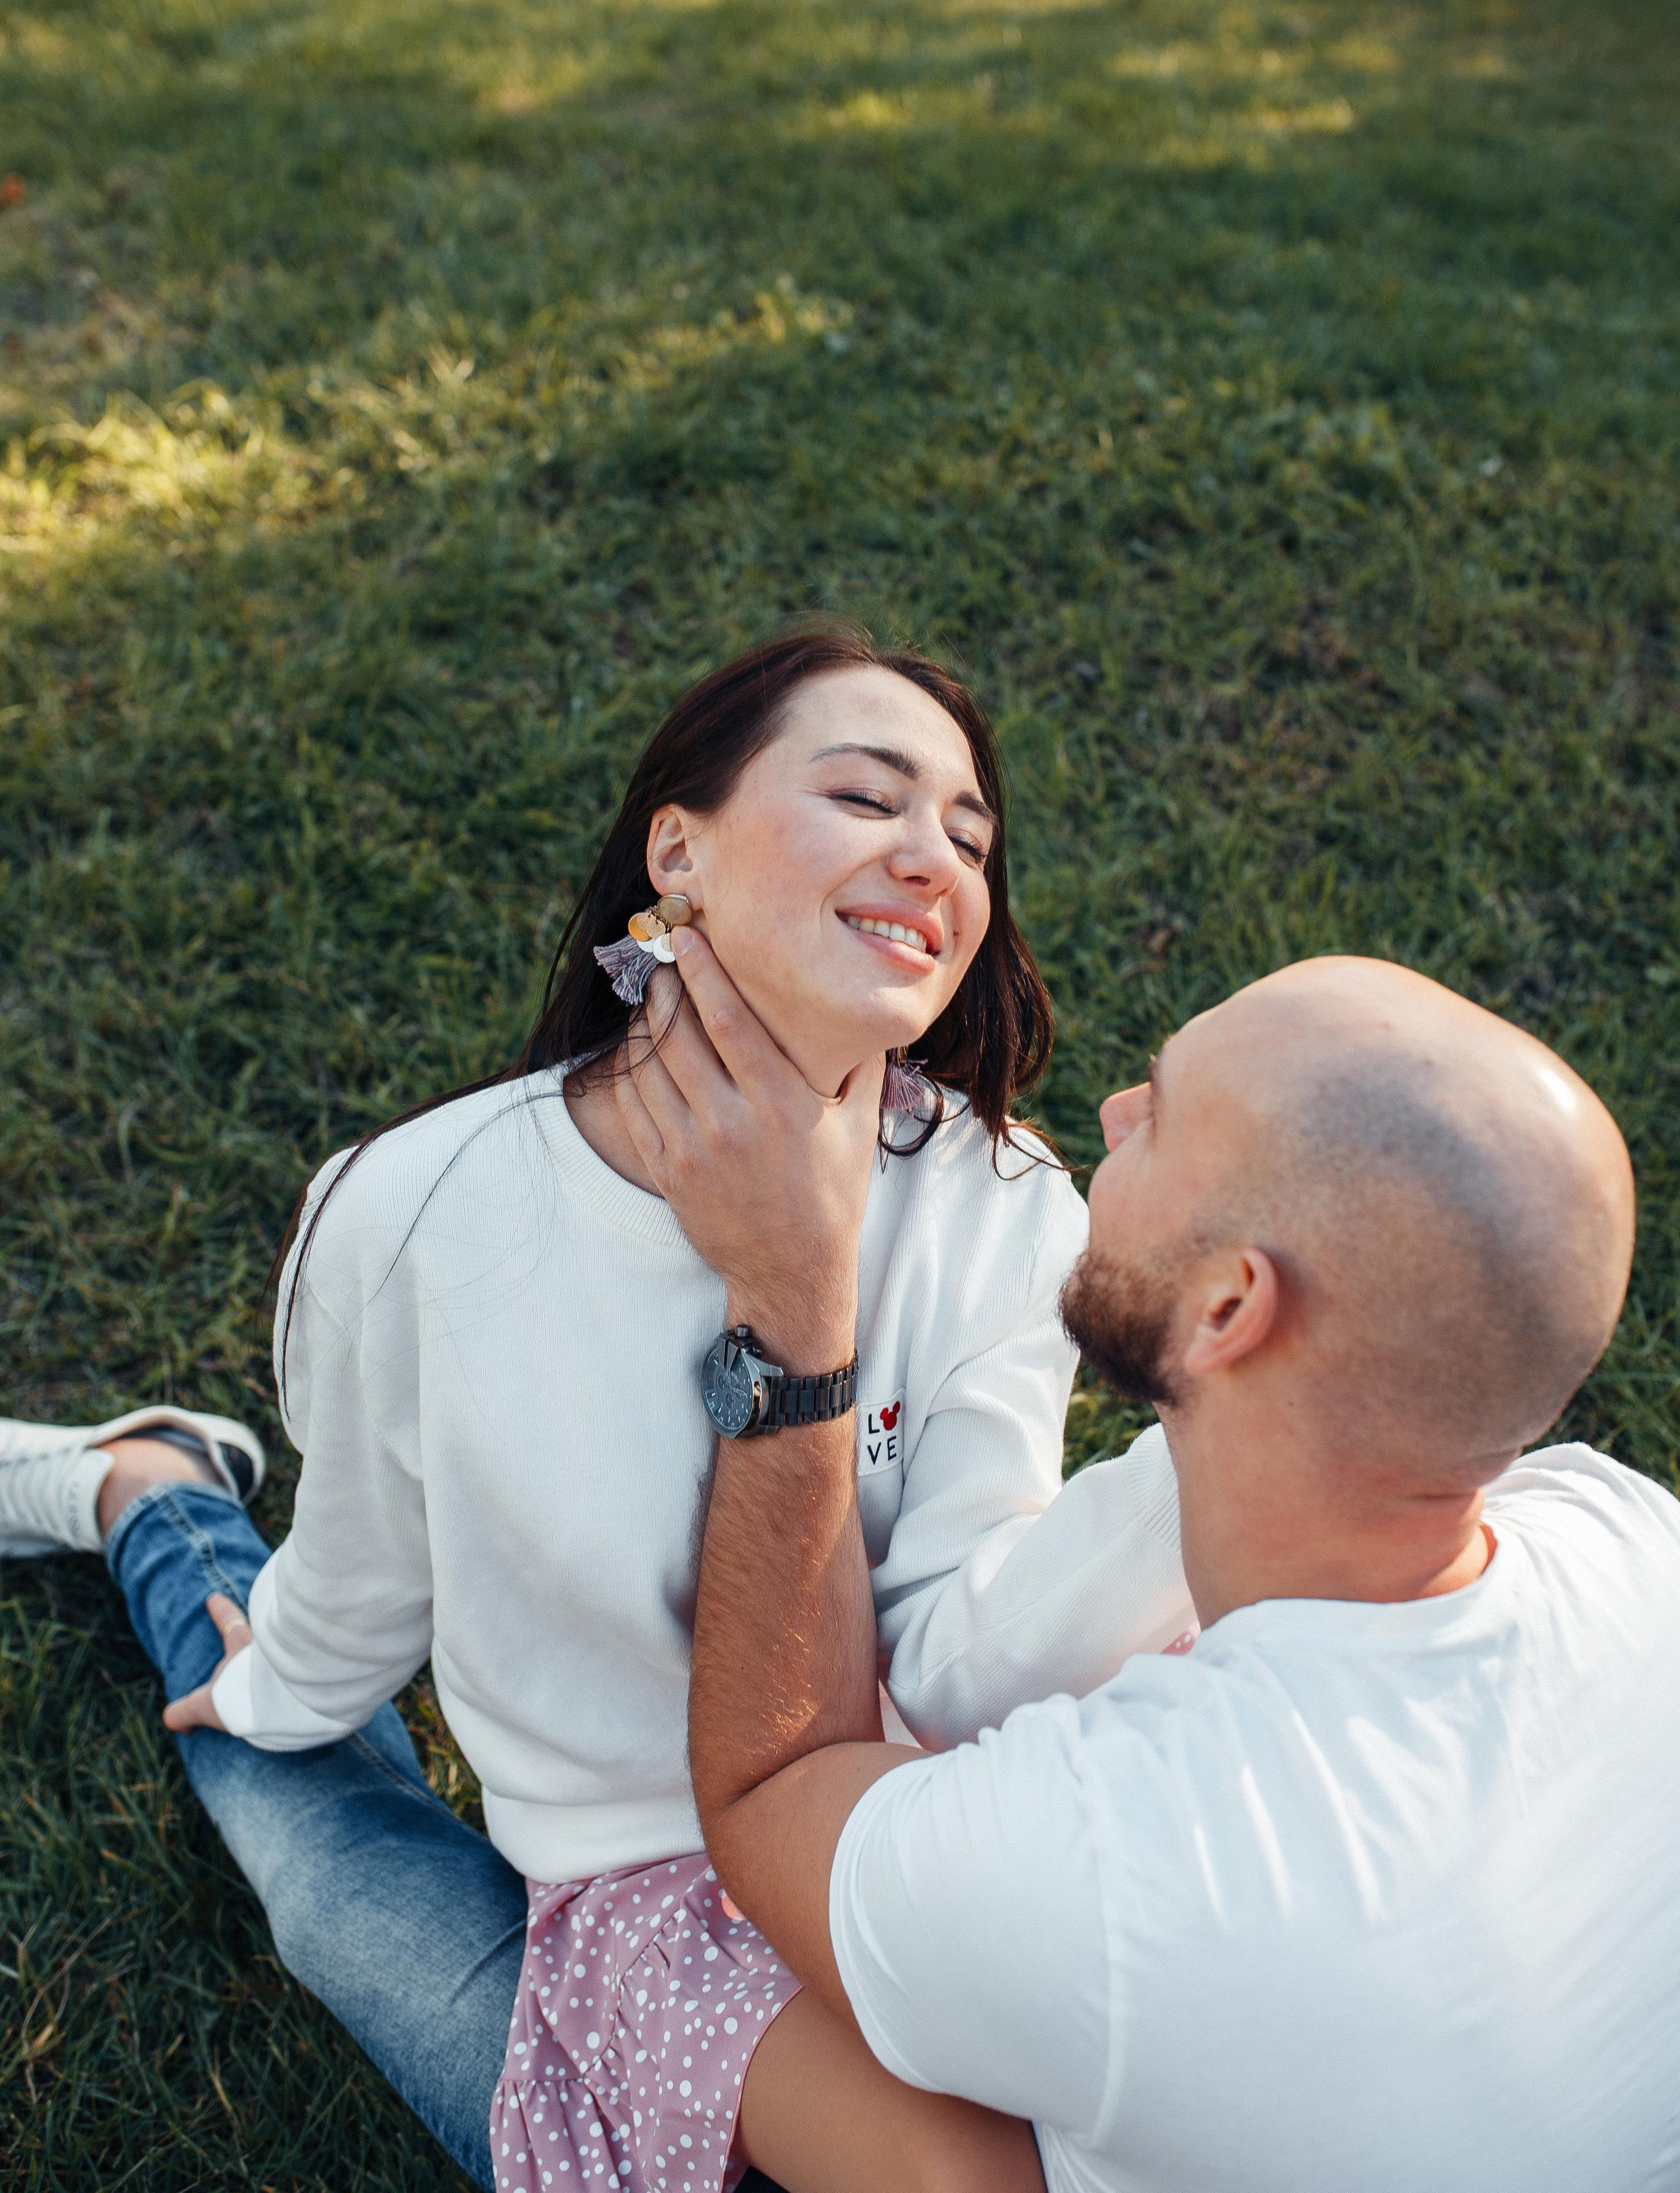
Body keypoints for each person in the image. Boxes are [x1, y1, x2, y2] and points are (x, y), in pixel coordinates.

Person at [0, 627, 1194, 2193]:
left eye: (968, 837)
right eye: (867, 797)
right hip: (618, 1867)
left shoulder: (1004, 1206)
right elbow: (367, 1564)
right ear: (677, 852)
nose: (934, 858)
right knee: (307, 1860)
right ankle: (144, 1493)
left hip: (877, 1835)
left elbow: (953, 1630)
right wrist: (279, 1691)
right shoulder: (414, 1212)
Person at [633, 942, 1680, 2193]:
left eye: (1165, 1110)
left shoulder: (1120, 1859)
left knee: (631, 1953)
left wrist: (795, 1300)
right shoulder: (1626, 1537)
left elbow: (769, 1791)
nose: (1116, 1111)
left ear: (1231, 1312)